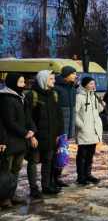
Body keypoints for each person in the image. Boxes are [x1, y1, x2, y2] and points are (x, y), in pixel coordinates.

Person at [25, 70, 64, 197]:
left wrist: (59, 133)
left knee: (48, 161)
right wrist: (32, 136)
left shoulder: (54, 94)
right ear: (43, 80)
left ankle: (46, 185)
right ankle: (33, 188)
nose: (54, 80)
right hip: (37, 137)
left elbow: (59, 116)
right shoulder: (32, 96)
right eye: (51, 78)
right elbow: (28, 118)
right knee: (33, 161)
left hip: (51, 136)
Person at [0, 73, 35, 207]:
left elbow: (27, 117)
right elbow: (8, 121)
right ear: (14, 83)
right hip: (9, 141)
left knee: (16, 168)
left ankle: (11, 194)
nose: (24, 85)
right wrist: (25, 133)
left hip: (20, 141)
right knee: (6, 171)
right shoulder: (6, 99)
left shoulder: (21, 97)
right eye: (21, 82)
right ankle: (4, 198)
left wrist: (32, 130)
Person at [75, 77, 104, 185]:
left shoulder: (93, 96)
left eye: (93, 83)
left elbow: (99, 110)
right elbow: (75, 113)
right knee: (82, 154)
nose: (93, 85)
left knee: (90, 154)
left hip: (94, 129)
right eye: (91, 83)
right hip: (84, 130)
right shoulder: (79, 97)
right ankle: (81, 177)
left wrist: (101, 103)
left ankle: (88, 174)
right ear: (85, 85)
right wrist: (81, 125)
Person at [52, 65, 77, 187]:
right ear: (67, 74)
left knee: (62, 153)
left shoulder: (72, 88)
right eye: (73, 73)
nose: (75, 76)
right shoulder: (57, 88)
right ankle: (52, 179)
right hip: (59, 126)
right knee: (55, 153)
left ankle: (57, 177)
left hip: (68, 126)